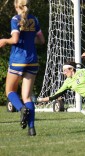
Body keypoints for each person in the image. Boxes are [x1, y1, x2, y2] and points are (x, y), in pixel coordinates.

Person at [0, 0, 45, 136]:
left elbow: (14, 39)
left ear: (16, 6)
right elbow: (41, 40)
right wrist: (29, 41)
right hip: (32, 60)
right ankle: (31, 130)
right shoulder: (34, 19)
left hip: (18, 60)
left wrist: (4, 41)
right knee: (27, 96)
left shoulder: (15, 19)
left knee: (9, 91)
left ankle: (21, 109)